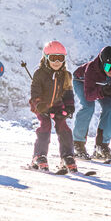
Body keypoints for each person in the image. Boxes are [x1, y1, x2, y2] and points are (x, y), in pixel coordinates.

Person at [28, 40, 77, 172]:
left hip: (57, 104)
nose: (57, 62)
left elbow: (68, 92)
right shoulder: (40, 74)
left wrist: (69, 106)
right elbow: (35, 92)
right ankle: (39, 156)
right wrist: (39, 105)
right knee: (45, 125)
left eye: (60, 58)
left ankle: (67, 156)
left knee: (63, 126)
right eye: (53, 58)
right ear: (46, 58)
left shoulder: (66, 75)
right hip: (41, 105)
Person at [72, 46, 111, 160]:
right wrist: (103, 91)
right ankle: (77, 144)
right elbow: (89, 96)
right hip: (81, 81)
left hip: (103, 86)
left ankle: (101, 146)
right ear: (102, 64)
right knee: (88, 107)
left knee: (109, 108)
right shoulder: (92, 68)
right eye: (108, 66)